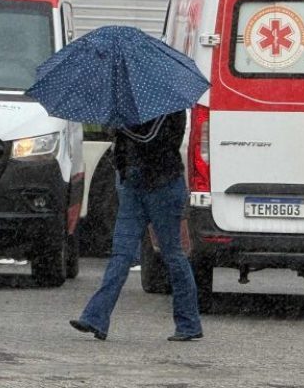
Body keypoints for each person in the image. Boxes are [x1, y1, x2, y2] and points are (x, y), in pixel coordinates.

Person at [70, 110, 204, 342]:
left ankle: (189, 323)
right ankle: (95, 318)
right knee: (121, 254)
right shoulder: (136, 102)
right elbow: (128, 144)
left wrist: (122, 126)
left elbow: (149, 137)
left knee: (172, 254)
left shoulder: (168, 106)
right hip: (134, 184)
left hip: (163, 187)